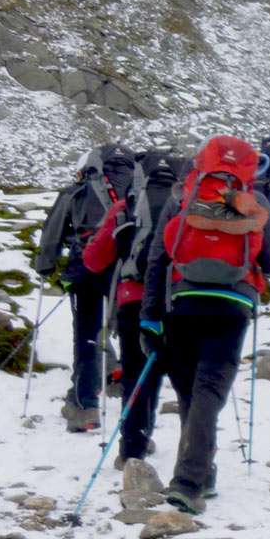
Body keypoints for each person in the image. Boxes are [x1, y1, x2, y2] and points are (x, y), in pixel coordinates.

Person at [141, 135, 270, 514]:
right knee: (209, 390)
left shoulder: (182, 196)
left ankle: (195, 476)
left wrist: (149, 316)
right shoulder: (256, 200)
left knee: (191, 389)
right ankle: (192, 480)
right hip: (234, 302)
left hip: (183, 300)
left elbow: (158, 259)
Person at [80, 148, 183, 465]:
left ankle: (132, 449)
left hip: (132, 299)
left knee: (137, 372)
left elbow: (93, 260)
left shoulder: (126, 208)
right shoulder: (189, 208)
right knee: (177, 376)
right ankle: (194, 457)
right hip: (177, 301)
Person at [33, 143, 137, 432]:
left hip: (86, 269)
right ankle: (129, 395)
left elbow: (52, 232)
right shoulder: (137, 190)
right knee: (128, 330)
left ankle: (83, 406)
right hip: (128, 270)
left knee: (87, 335)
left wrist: (45, 264)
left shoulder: (75, 192)